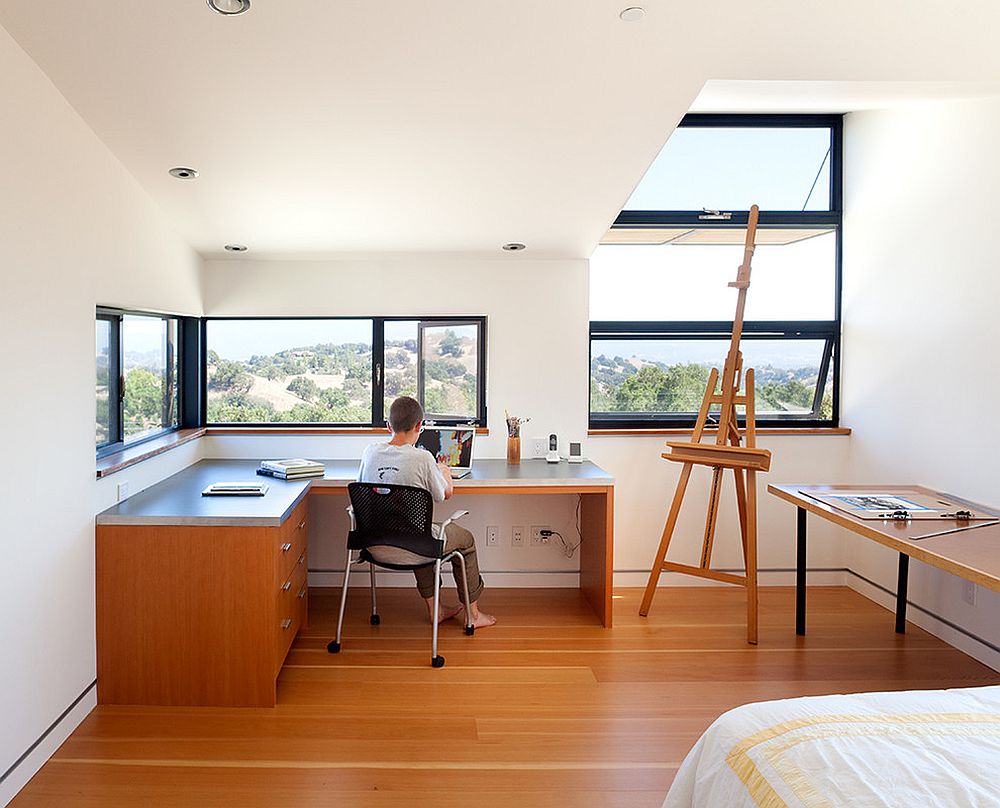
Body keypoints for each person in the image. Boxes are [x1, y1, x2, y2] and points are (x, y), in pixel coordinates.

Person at [357, 396, 496, 628]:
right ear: (419, 426)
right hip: (413, 545)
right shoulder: (423, 458)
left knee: (417, 531)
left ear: (388, 426)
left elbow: (361, 486)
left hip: (373, 543)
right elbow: (444, 494)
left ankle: (435, 610)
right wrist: (444, 471)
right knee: (462, 540)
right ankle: (472, 615)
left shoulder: (369, 452)